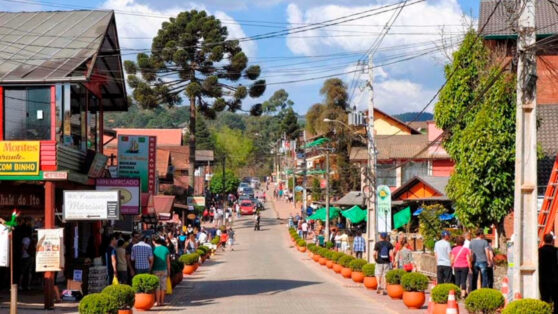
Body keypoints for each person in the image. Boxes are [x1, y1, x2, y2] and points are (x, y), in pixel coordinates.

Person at [539, 233, 558, 313]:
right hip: (555, 278)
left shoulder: (539, 251)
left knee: (544, 298)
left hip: (543, 278)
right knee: (556, 298)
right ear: (552, 240)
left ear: (544, 240)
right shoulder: (556, 251)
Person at [152, 237, 170, 307]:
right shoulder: (165, 249)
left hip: (155, 269)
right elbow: (168, 261)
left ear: (154, 241)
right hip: (164, 269)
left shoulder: (153, 249)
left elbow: (152, 260)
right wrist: (169, 270)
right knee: (163, 286)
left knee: (157, 287)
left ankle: (158, 302)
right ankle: (162, 302)